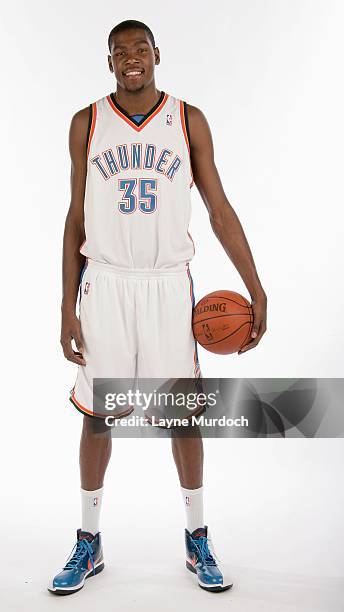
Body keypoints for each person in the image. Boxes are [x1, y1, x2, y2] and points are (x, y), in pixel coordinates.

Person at [48, 19, 267, 595]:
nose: (131, 59)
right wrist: (66, 307)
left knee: (182, 416)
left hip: (168, 286)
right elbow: (75, 220)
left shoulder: (187, 119)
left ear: (157, 54)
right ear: (110, 63)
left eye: (139, 49)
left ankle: (197, 537)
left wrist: (256, 286)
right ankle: (88, 542)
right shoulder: (86, 122)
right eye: (119, 52)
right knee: (98, 417)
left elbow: (219, 209)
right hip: (107, 283)